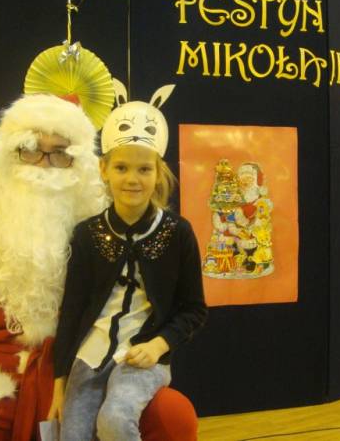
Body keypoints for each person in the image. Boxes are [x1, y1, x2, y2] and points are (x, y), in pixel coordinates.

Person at [0, 94, 190, 441]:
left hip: (83, 370)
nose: (44, 165)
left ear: (83, 164)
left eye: (60, 153)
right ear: (7, 154)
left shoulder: (106, 233)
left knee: (173, 416)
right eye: (30, 149)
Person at [48, 83, 208, 441]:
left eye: (144, 170)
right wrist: (59, 384)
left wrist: (159, 345)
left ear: (158, 172)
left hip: (142, 357)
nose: (132, 179)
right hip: (89, 357)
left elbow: (194, 309)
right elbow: (72, 311)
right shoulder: (87, 234)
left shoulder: (177, 232)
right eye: (121, 167)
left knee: (115, 421)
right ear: (104, 169)